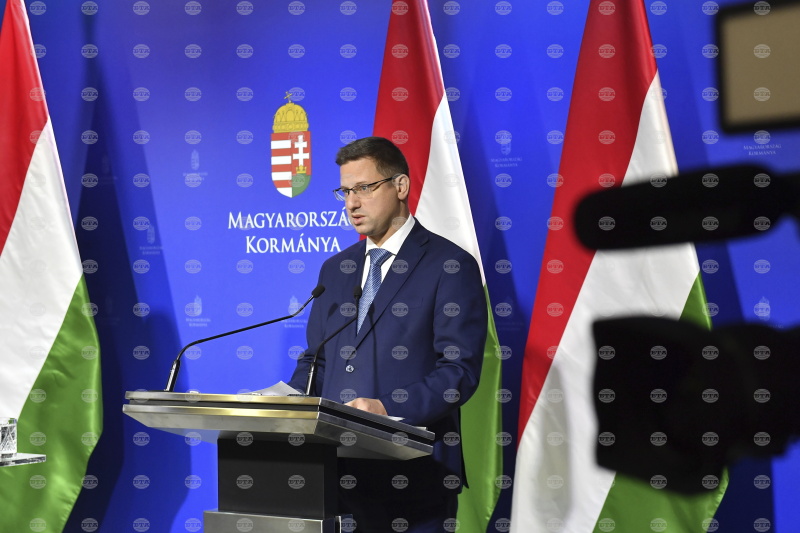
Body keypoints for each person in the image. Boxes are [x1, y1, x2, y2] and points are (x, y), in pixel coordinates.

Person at [288, 136, 487, 532]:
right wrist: (287, 404)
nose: (352, 203)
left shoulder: (449, 265)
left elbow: (458, 372)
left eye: (364, 188)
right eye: (345, 191)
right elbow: (317, 360)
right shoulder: (335, 269)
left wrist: (387, 409)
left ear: (400, 186)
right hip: (336, 473)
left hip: (415, 474)